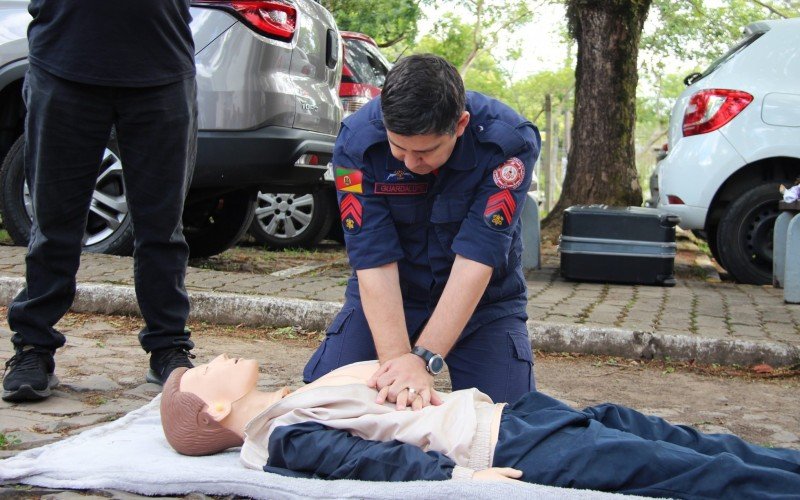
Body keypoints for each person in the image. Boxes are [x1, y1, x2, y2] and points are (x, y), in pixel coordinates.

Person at [161, 354, 800, 498]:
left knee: (675, 438)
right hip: (506, 445)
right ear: (216, 411)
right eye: (202, 371)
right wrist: (463, 476)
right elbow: (369, 463)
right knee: (681, 470)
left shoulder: (289, 401)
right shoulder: (281, 435)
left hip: (514, 414)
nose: (212, 358)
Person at [304, 53, 541, 408]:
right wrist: (398, 368)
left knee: (509, 424)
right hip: (392, 292)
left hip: (483, 304)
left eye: (426, 151)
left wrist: (424, 359)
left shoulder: (508, 145)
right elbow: (372, 259)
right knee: (326, 408)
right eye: (399, 148)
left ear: (459, 125)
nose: (412, 164)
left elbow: (477, 256)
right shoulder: (356, 143)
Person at [2, 0, 198, 402]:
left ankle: (169, 348)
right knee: (54, 224)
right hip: (64, 61)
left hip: (160, 65)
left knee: (163, 227)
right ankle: (33, 347)